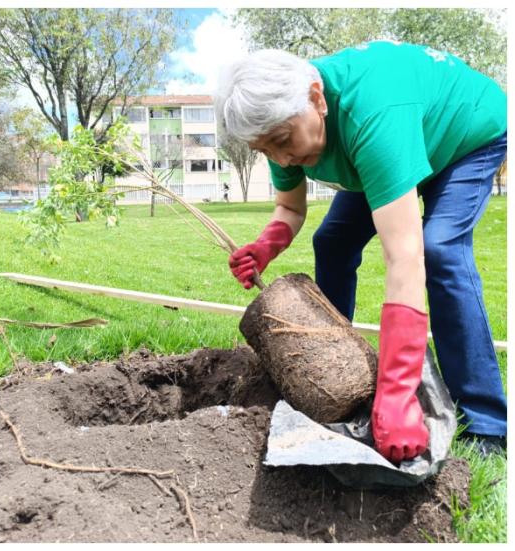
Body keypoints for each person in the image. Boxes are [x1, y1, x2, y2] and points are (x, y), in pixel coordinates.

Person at [216, 41, 507, 460]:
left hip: (464, 134)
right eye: (267, 151)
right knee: (331, 241)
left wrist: (397, 392)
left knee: (439, 249)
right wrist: (267, 244)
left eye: (282, 141)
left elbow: (404, 256)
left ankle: (487, 425)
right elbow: (289, 207)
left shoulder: (370, 111)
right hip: (391, 143)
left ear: (317, 99)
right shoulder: (278, 119)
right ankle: (331, 367)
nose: (283, 158)